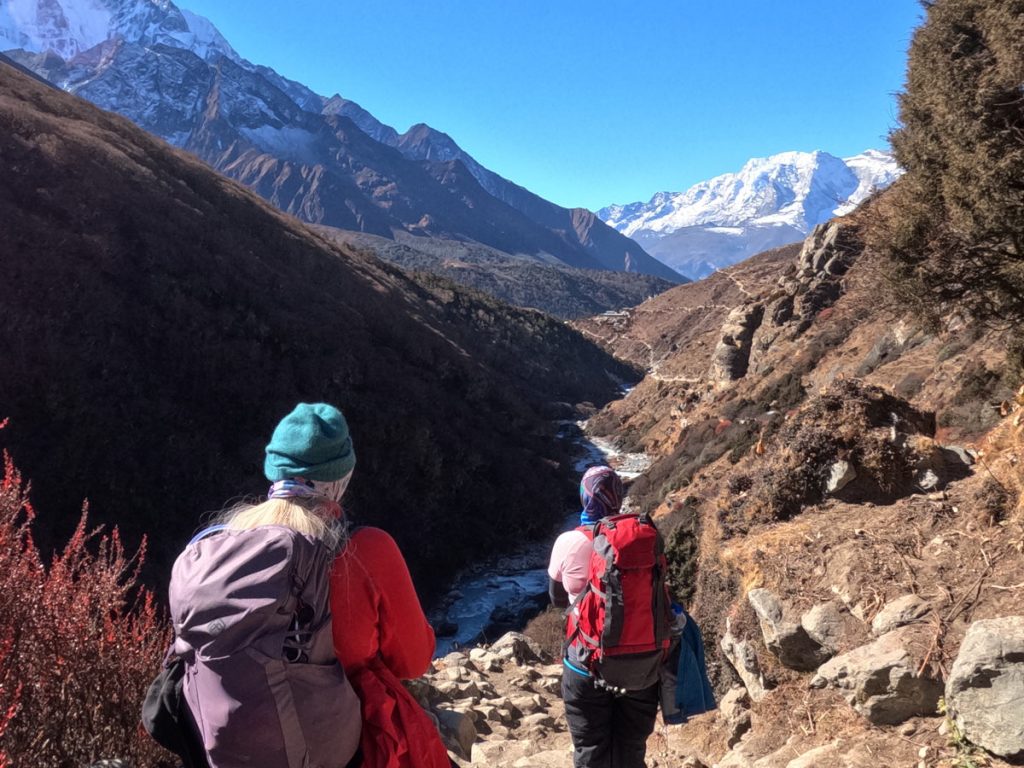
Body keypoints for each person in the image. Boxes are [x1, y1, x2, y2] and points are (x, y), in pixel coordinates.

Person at [261, 403, 450, 768]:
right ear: (339, 480)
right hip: (342, 743)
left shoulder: (221, 546)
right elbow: (413, 661)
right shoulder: (366, 549)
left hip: (241, 743)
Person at [548, 465, 661, 768]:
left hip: (585, 665)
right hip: (642, 664)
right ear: (618, 497)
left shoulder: (568, 541)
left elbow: (557, 599)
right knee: (632, 749)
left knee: (591, 749)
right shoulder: (644, 536)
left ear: (585, 496)